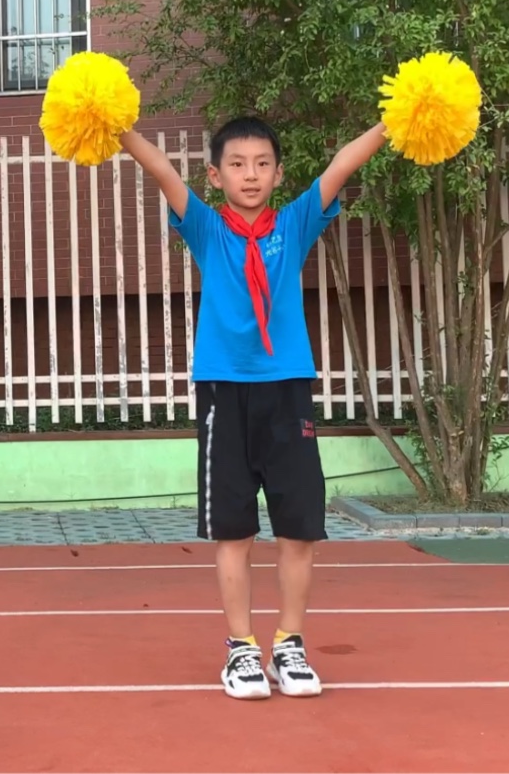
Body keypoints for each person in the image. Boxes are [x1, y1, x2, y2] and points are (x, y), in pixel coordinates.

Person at [118, 116, 387, 700]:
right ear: (215, 176)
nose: (251, 174)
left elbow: (342, 164)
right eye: (237, 165)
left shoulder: (294, 223)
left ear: (279, 173)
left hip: (287, 389)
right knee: (232, 531)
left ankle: (289, 644)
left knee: (298, 530)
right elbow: (161, 169)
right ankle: (241, 649)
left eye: (263, 163)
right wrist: (113, 129)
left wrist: (392, 124)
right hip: (222, 392)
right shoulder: (206, 229)